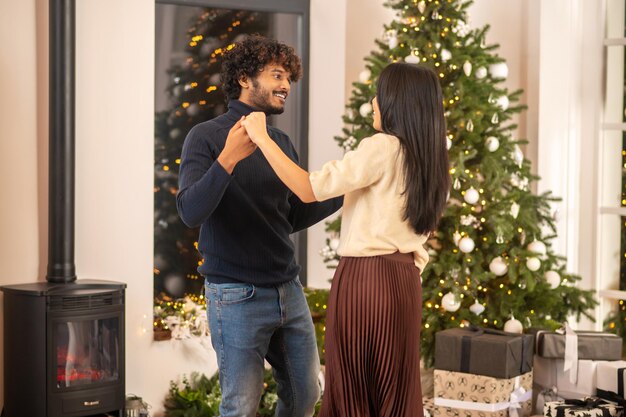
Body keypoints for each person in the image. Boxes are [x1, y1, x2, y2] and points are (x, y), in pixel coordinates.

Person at [242, 62, 450, 417]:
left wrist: (261, 138)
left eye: (379, 95)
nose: (373, 102)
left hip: (366, 280)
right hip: (404, 282)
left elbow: (310, 189)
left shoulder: (383, 147)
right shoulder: (431, 158)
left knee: (353, 386)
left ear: (396, 102)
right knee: (394, 390)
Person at [176, 35, 343, 417]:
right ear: (245, 78)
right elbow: (190, 211)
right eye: (276, 75)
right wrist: (228, 160)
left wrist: (344, 191)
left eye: (289, 78)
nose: (286, 85)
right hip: (235, 295)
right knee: (241, 407)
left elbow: (291, 216)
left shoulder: (279, 142)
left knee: (305, 396)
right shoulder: (205, 137)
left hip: (288, 289)